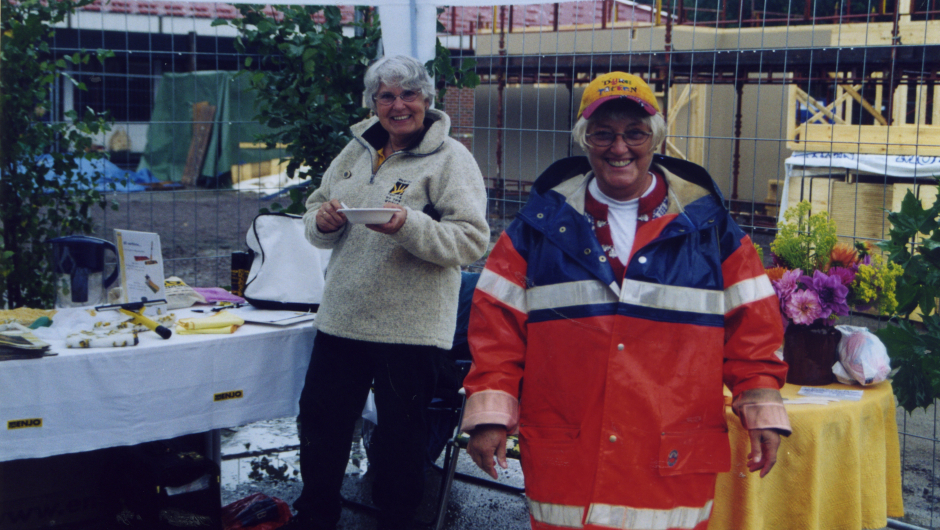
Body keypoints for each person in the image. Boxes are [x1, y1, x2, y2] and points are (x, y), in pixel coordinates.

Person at [461, 72, 791, 530]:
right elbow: (496, 331)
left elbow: (753, 332)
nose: (619, 148)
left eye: (634, 133)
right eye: (604, 134)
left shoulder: (711, 229)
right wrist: (490, 415)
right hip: (570, 459)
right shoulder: (537, 226)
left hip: (670, 459)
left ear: (655, 139)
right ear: (585, 140)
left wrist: (762, 412)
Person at [293, 55, 489, 530]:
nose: (398, 105)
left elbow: (471, 240)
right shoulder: (357, 151)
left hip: (411, 327)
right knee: (321, 425)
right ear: (373, 103)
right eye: (386, 96)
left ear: (427, 99)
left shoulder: (451, 159)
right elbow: (317, 208)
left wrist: (410, 225)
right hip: (343, 315)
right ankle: (314, 517)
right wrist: (321, 221)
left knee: (401, 438)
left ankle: (397, 521)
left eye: (409, 94)